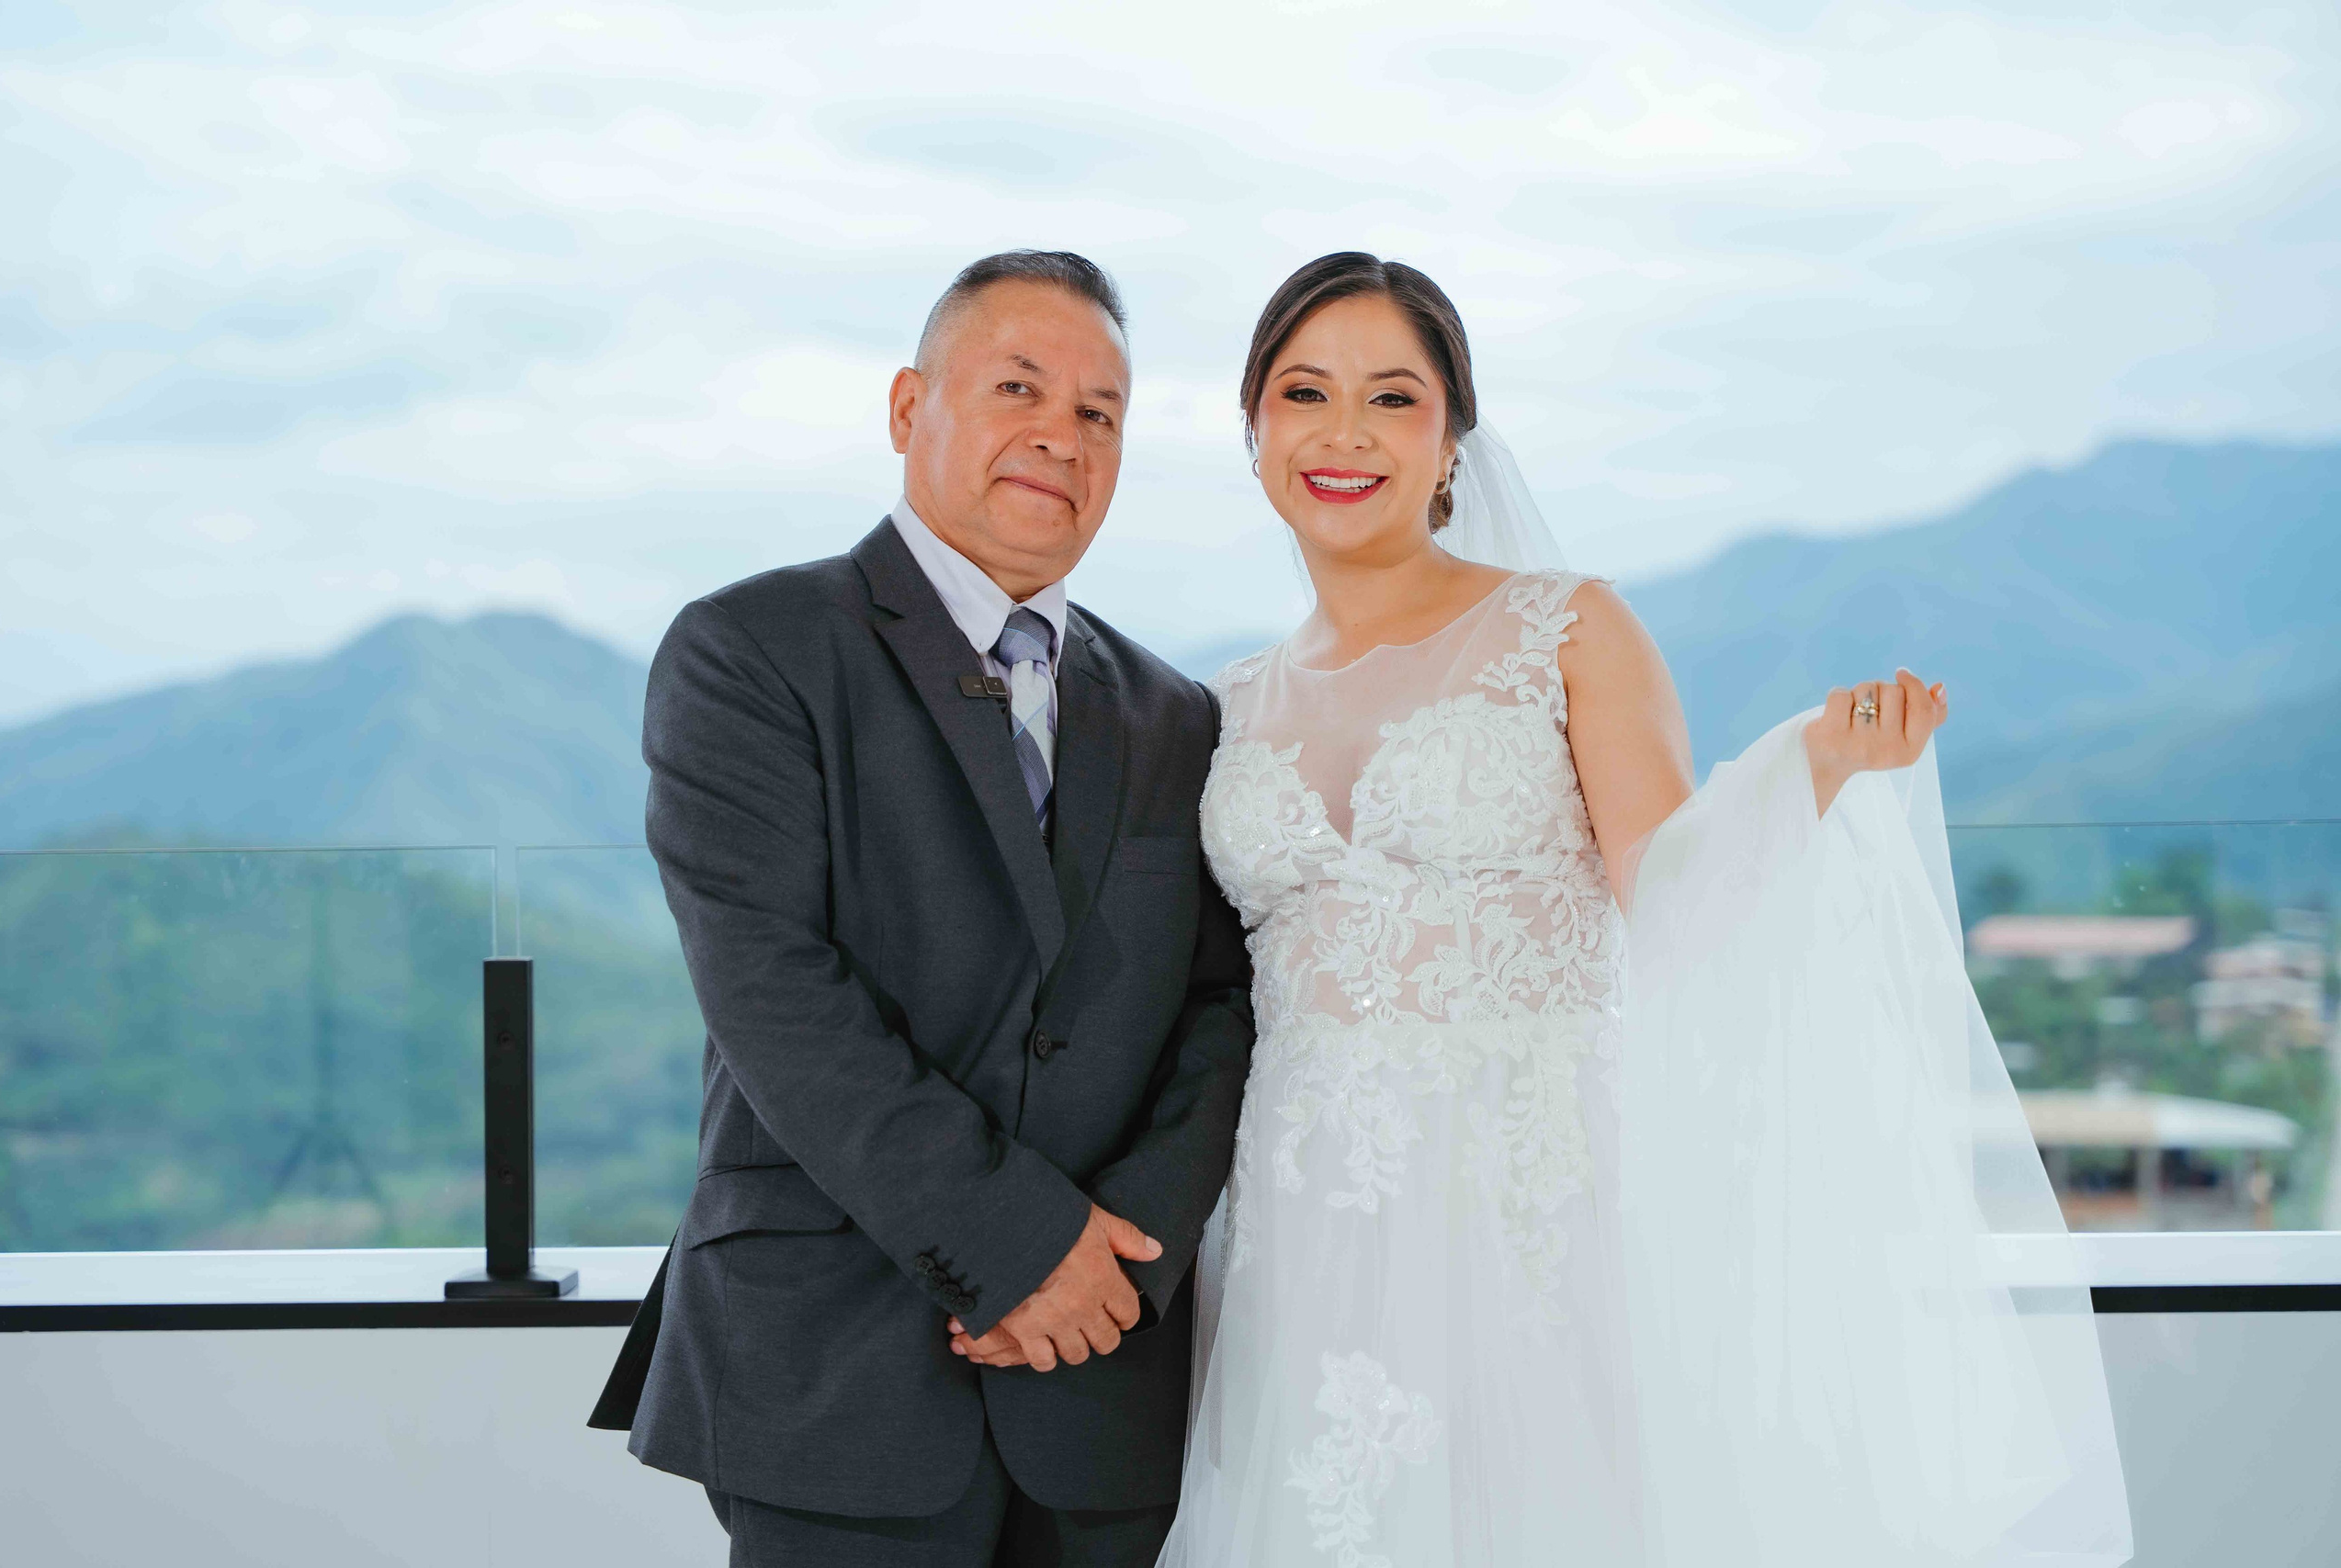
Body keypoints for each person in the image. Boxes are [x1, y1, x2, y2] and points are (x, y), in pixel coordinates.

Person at [964, 253, 2139, 1564]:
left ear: (1452, 438)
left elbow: (1672, 891)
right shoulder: (1220, 709)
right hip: (1302, 1242)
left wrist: (1808, 762)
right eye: (1306, 393)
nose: (1344, 433)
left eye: (1393, 399)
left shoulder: (1569, 632)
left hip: (1531, 1220)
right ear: (1255, 434)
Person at [588, 250, 1256, 1568]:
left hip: (1105, 1382)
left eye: (1099, 414)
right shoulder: (751, 653)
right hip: (834, 1372)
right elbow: (779, 998)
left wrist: (1116, 1270)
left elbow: (1221, 1011)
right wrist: (1021, 1248)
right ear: (909, 409)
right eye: (1019, 387)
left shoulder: (1177, 714)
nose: (1061, 438)